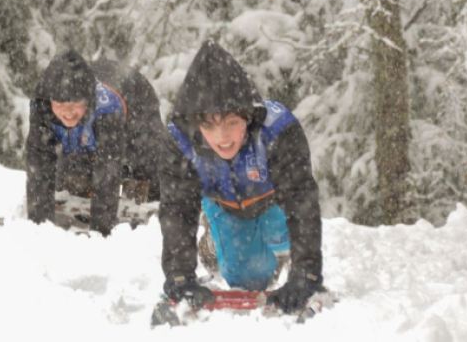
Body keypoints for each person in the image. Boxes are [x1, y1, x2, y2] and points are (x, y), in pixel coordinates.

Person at [158, 40, 323, 313]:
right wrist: (179, 276)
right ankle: (215, 243)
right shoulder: (179, 141)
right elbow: (177, 209)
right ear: (196, 123)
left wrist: (306, 273)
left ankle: (277, 249)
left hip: (275, 203)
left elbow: (301, 201)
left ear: (248, 116)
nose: (222, 138)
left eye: (232, 123)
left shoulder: (278, 129)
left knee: (283, 237)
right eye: (210, 126)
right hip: (226, 207)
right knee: (250, 279)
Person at [26, 49, 169, 236]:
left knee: (149, 174)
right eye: (61, 105)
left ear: (87, 99)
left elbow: (107, 172)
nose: (68, 113)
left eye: (74, 105)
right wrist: (39, 228)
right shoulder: (42, 104)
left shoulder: (107, 109)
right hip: (91, 123)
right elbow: (39, 164)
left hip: (136, 103)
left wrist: (100, 235)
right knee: (70, 178)